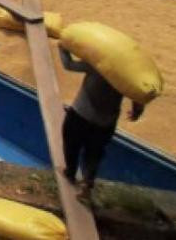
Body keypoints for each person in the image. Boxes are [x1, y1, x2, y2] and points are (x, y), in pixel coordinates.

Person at [59, 46, 144, 198]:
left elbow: (69, 65)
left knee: (71, 143)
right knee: (94, 153)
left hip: (81, 113)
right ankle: (87, 182)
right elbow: (137, 93)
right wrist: (137, 110)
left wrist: (63, 48)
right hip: (106, 122)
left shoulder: (97, 65)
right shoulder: (126, 76)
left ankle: (70, 172)